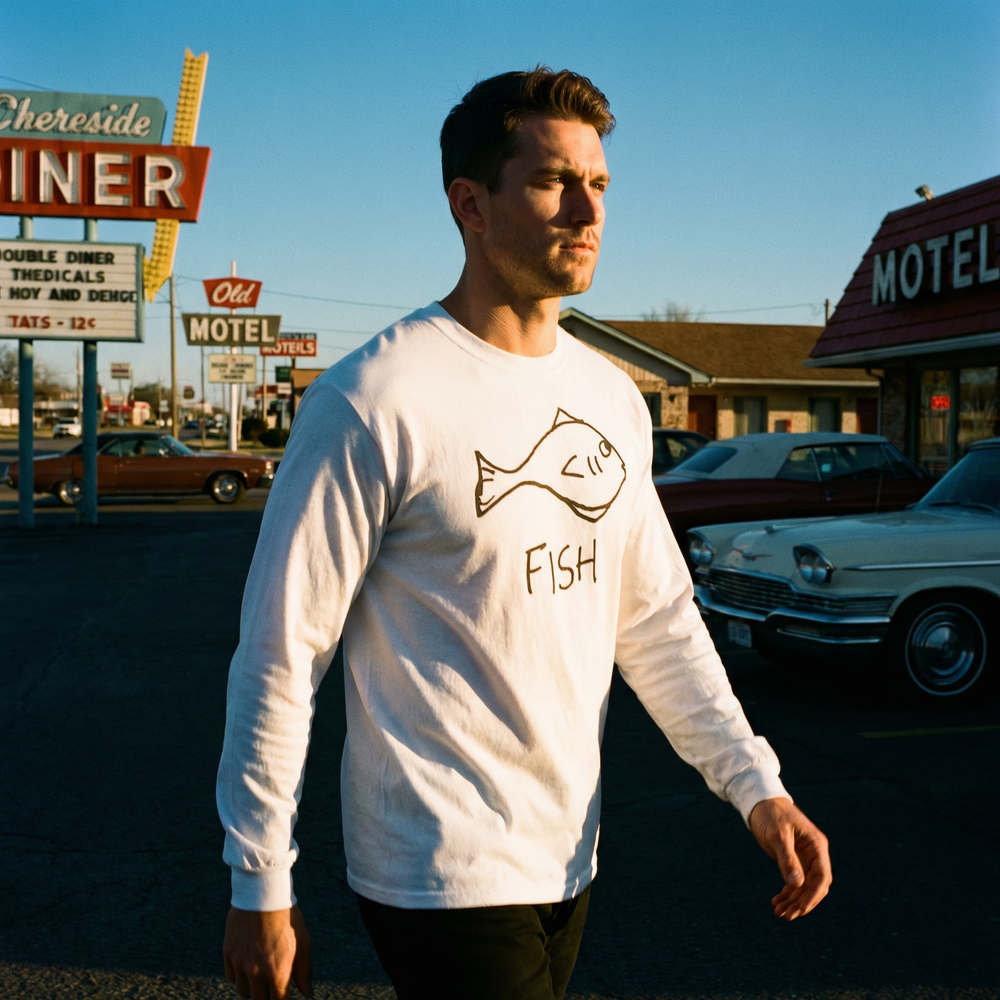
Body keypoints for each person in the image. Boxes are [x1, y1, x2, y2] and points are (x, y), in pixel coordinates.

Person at [218, 67, 832, 1000]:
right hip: (438, 864)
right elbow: (282, 650)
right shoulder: (373, 399)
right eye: (553, 182)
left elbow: (657, 620)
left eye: (600, 184)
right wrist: (259, 880)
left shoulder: (612, 398)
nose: (587, 210)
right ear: (470, 203)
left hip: (568, 852)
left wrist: (756, 784)